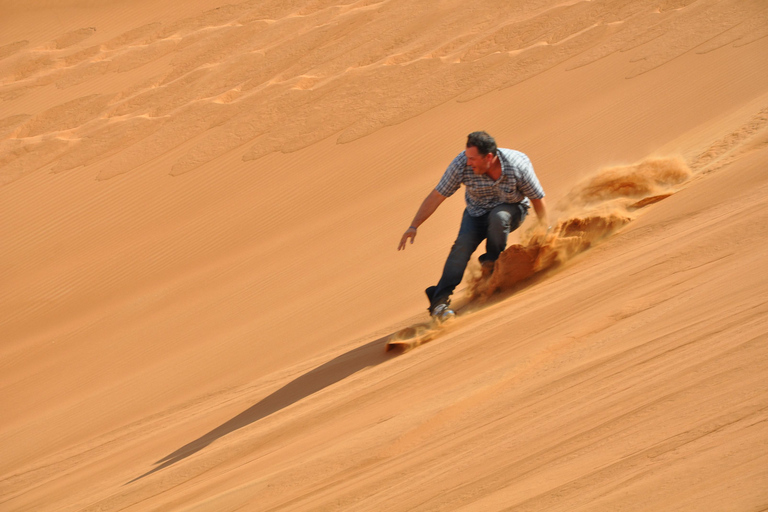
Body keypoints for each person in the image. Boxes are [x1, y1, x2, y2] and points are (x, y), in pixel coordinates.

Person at [398, 131, 549, 320]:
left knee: (499, 217)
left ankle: (492, 267)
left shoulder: (516, 166)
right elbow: (437, 195)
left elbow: (537, 199)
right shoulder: (461, 164)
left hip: (514, 208)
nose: (468, 162)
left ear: (489, 157)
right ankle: (439, 301)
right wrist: (414, 225)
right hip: (476, 212)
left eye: (473, 159)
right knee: (462, 244)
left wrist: (546, 232)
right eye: (467, 157)